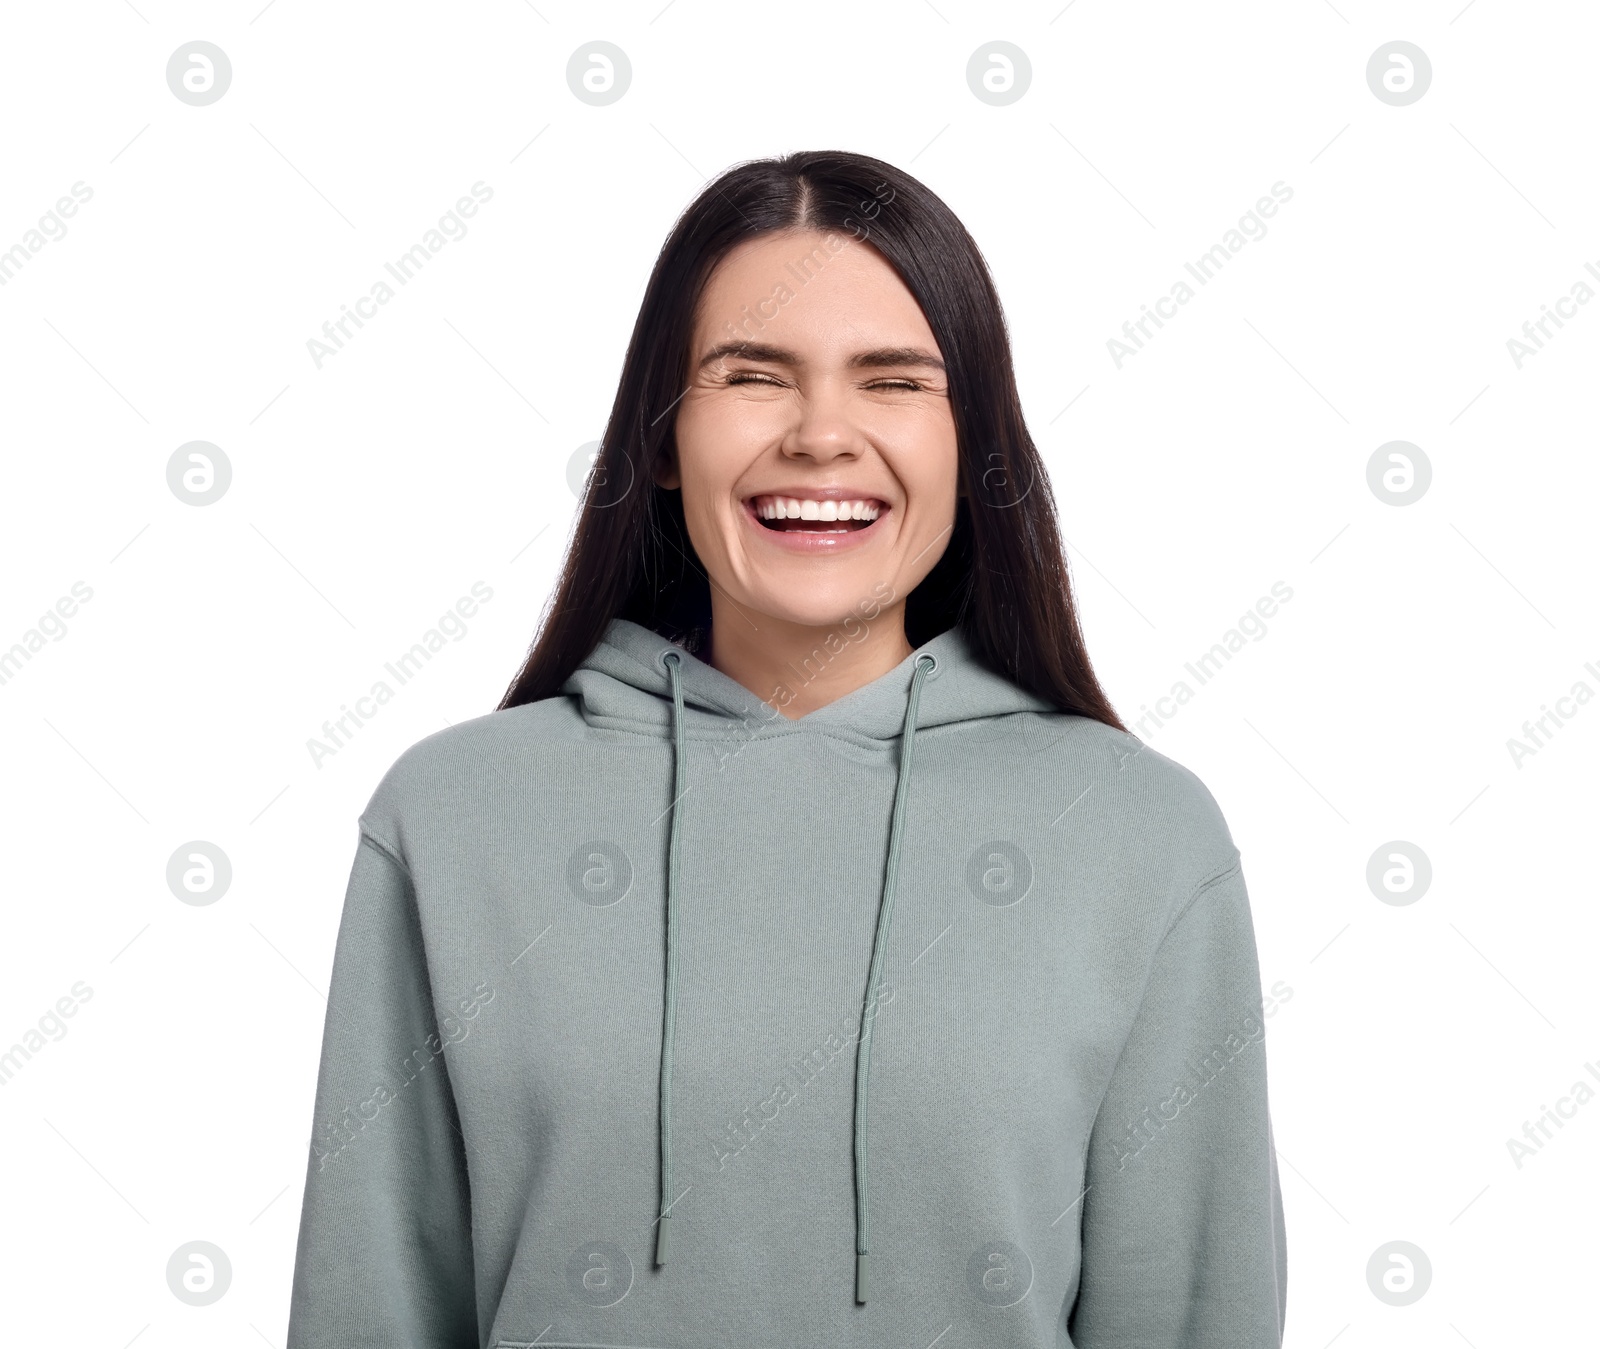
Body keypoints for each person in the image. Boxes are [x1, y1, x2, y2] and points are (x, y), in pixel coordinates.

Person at [286, 149, 1287, 1349]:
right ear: (661, 436)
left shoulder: (1137, 834)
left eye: (892, 382)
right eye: (753, 375)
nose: (822, 436)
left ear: (971, 446)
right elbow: (371, 1310)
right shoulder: (451, 817)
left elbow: (1190, 1315)